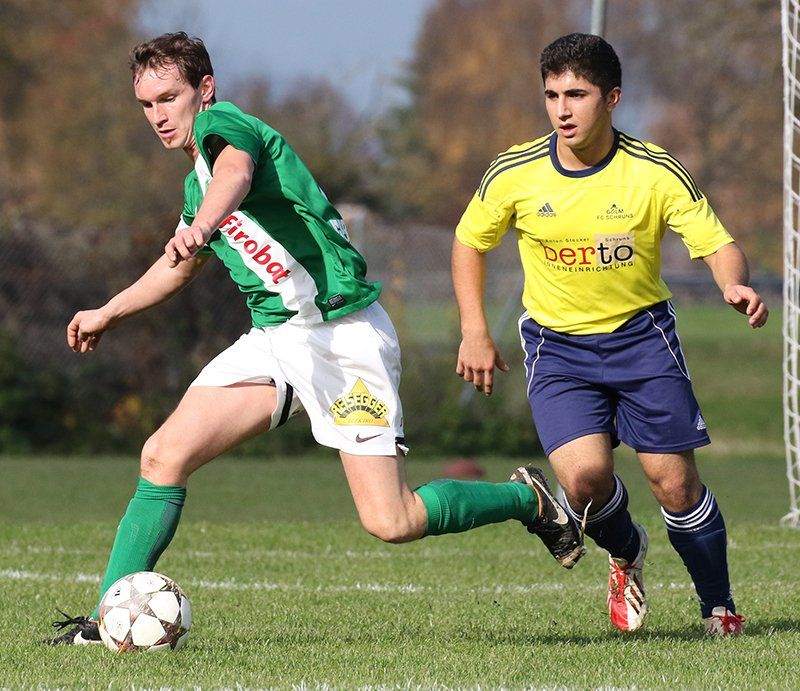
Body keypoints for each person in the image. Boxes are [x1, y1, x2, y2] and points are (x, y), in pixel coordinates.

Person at [46, 32, 585, 645]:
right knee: (162, 457)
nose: (158, 115)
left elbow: (236, 173)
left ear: (204, 89)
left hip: (343, 337)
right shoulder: (196, 186)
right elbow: (180, 264)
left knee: (392, 520)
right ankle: (106, 621)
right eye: (146, 104)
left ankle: (526, 501)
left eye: (169, 98)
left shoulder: (228, 127)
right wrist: (108, 311)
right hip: (277, 339)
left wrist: (203, 224)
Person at [452, 33, 767, 636]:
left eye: (577, 94)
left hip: (642, 341)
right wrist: (474, 330)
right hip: (557, 347)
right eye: (552, 95)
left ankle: (719, 607)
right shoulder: (514, 171)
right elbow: (469, 242)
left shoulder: (653, 170)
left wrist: (734, 284)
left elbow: (718, 244)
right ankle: (627, 552)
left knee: (674, 483)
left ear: (612, 97)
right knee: (582, 481)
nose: (562, 110)